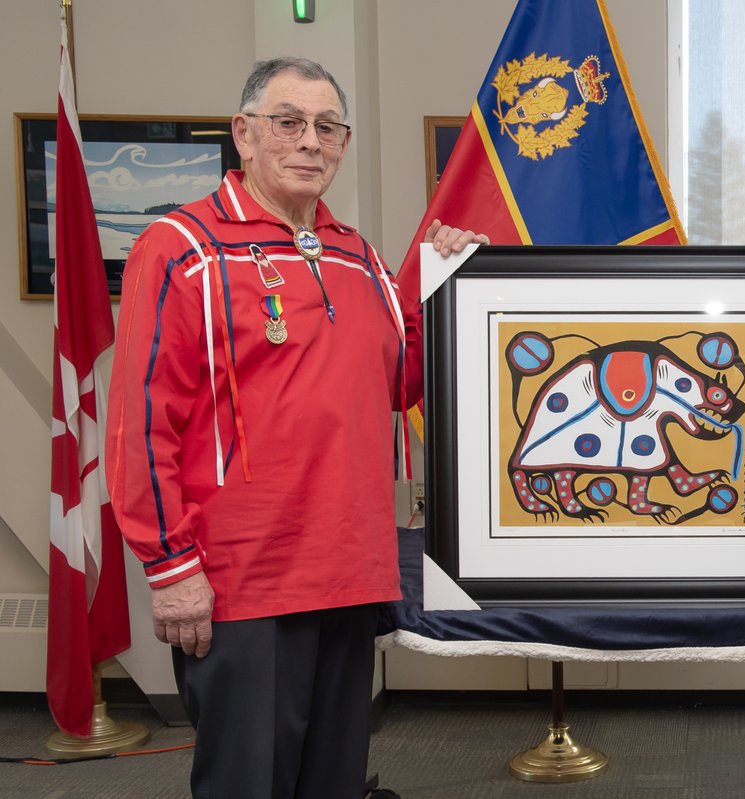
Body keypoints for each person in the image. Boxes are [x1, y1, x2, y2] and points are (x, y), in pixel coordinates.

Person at [105, 57, 486, 798]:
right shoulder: (180, 249)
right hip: (244, 582)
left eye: (327, 127)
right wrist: (171, 567)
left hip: (349, 571)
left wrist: (448, 285)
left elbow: (401, 385)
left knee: (334, 783)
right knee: (250, 785)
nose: (310, 142)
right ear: (244, 135)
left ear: (343, 143)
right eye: (289, 123)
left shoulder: (361, 258)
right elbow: (141, 421)